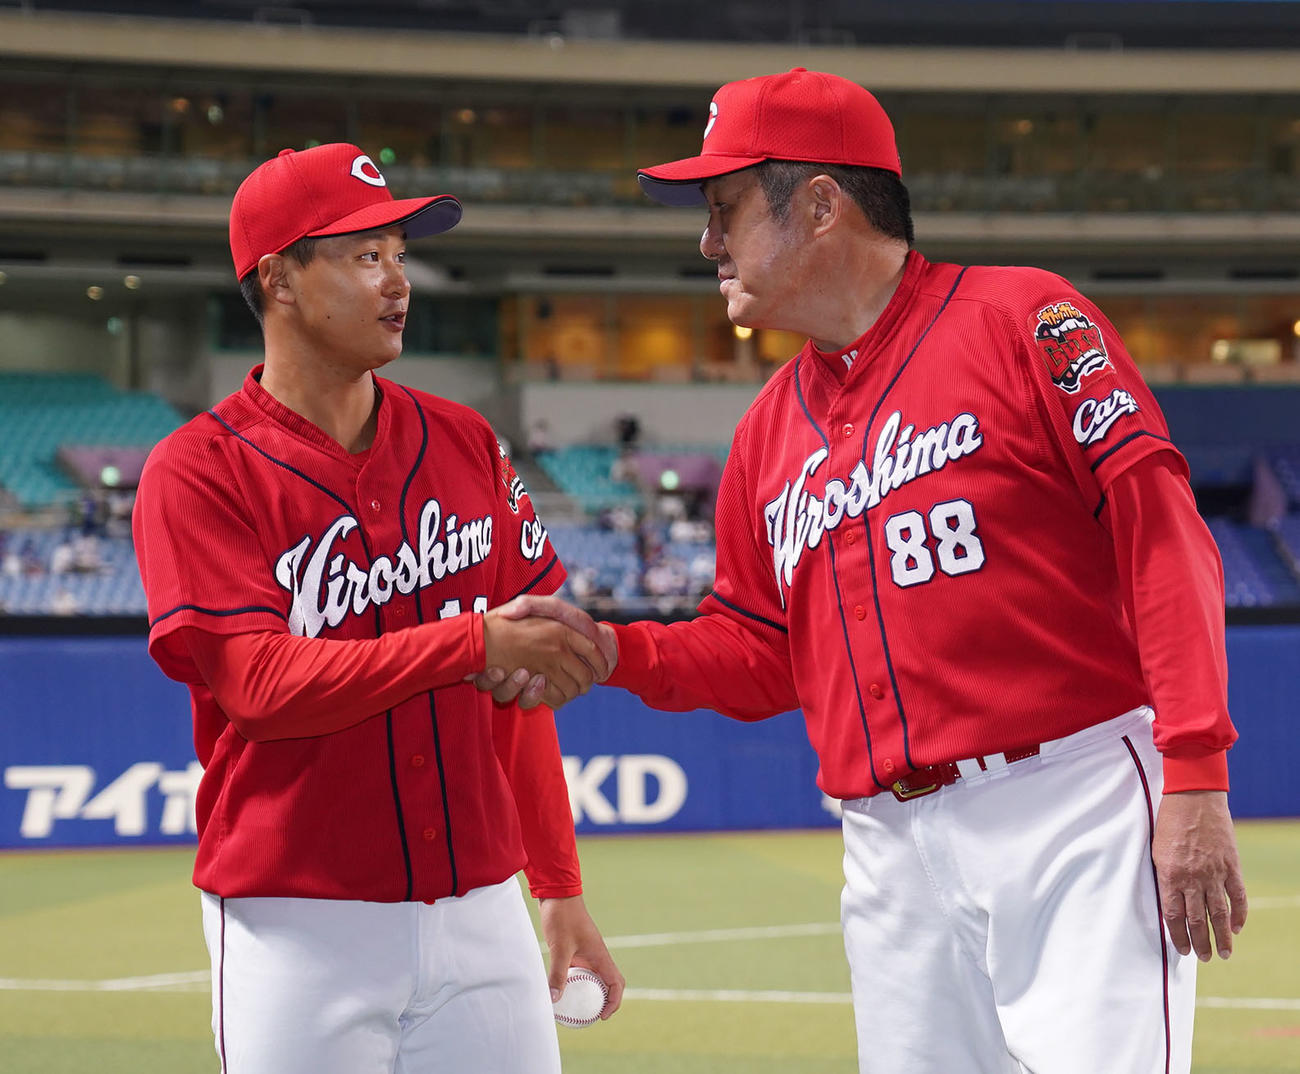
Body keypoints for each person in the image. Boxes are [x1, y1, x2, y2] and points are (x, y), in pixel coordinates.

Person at [479, 69, 1246, 1074]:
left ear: (821, 204)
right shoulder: (764, 433)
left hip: (1070, 805)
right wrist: (612, 650)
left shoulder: (1025, 321)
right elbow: (761, 655)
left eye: (723, 210)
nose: (706, 242)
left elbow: (1161, 535)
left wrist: (1193, 773)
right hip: (886, 842)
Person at [132, 142, 623, 1074]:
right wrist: (467, 640)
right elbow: (262, 686)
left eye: (400, 252)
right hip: (297, 919)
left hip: (482, 908)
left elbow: (517, 685)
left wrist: (556, 887)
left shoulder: (465, 438)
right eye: (365, 257)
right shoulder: (196, 470)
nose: (398, 281)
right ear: (277, 276)